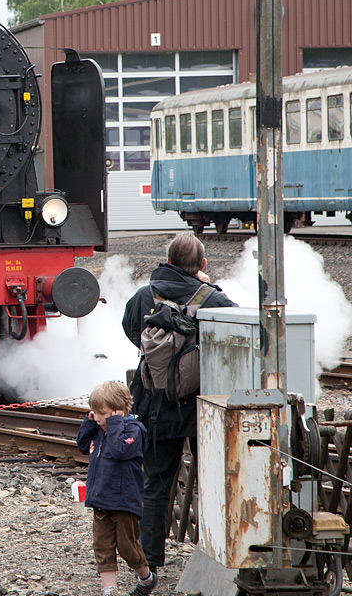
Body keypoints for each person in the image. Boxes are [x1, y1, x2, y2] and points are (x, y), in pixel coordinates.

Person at [122, 231, 237, 573]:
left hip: (155, 404)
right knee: (215, 481)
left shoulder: (145, 295)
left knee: (155, 485)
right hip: (204, 404)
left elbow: (131, 331)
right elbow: (239, 336)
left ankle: (150, 565)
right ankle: (218, 557)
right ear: (202, 264)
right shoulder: (213, 298)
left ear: (167, 261)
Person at [77, 380, 154, 596]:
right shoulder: (99, 429)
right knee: (102, 547)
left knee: (127, 546)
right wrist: (90, 422)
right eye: (94, 412)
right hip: (100, 499)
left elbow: (119, 450)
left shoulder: (134, 431)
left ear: (119, 411)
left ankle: (146, 579)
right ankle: (109, 590)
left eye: (102, 413)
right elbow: (82, 445)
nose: (98, 417)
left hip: (123, 501)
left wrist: (115, 424)